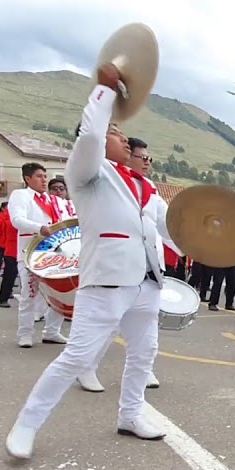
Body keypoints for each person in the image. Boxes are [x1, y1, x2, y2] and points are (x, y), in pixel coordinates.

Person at [5, 64, 173, 460]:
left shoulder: (145, 186)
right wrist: (104, 90)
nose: (122, 136)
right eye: (117, 133)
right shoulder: (88, 173)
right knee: (77, 356)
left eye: (122, 133)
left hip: (146, 281)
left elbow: (170, 224)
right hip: (106, 280)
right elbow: (92, 134)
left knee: (143, 352)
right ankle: (26, 424)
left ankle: (130, 415)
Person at [77, 139, 176, 393]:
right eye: (141, 157)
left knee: (146, 332)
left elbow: (169, 224)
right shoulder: (110, 182)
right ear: (126, 156)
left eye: (149, 158)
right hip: (118, 266)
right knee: (110, 324)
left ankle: (143, 369)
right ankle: (87, 367)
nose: (147, 162)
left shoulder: (150, 187)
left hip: (149, 269)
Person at [8, 162, 67, 347]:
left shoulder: (53, 201)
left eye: (45, 176)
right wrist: (39, 228)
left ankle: (52, 331)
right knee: (30, 293)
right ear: (28, 178)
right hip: (31, 252)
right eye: (40, 176)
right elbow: (17, 220)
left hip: (54, 252)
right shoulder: (21, 195)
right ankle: (25, 334)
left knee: (60, 293)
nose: (44, 179)